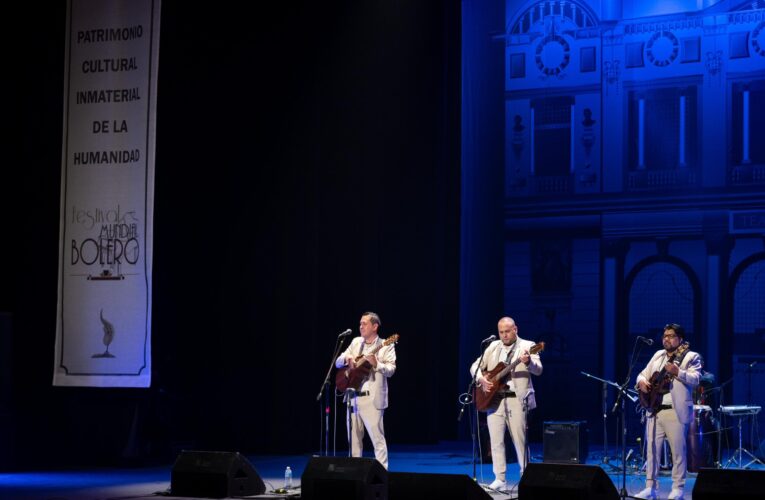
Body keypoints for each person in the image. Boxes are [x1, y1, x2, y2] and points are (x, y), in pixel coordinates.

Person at [470, 316, 543, 491]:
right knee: (495, 441)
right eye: (501, 332)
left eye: (507, 331)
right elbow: (475, 366)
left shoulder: (528, 346)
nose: (504, 335)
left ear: (515, 329)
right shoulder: (493, 346)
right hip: (494, 399)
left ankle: (526, 477)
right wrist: (481, 379)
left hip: (517, 399)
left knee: (520, 440)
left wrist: (529, 362)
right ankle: (500, 479)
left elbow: (539, 370)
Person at [635, 323, 702, 500]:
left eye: (671, 336)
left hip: (675, 411)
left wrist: (678, 372)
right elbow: (642, 374)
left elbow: (696, 379)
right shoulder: (658, 355)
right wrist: (641, 382)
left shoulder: (690, 356)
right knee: (652, 450)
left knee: (678, 452)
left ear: (680, 339)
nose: (666, 339)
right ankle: (650, 488)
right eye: (664, 336)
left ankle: (678, 489)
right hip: (655, 410)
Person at [335, 311, 396, 469]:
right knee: (354, 442)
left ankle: (382, 475)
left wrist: (377, 364)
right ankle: (355, 475)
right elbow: (338, 362)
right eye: (360, 323)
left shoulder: (386, 345)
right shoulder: (356, 342)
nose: (361, 326)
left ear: (375, 326)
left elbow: (391, 369)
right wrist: (346, 359)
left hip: (372, 399)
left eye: (364, 323)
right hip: (353, 397)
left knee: (378, 440)